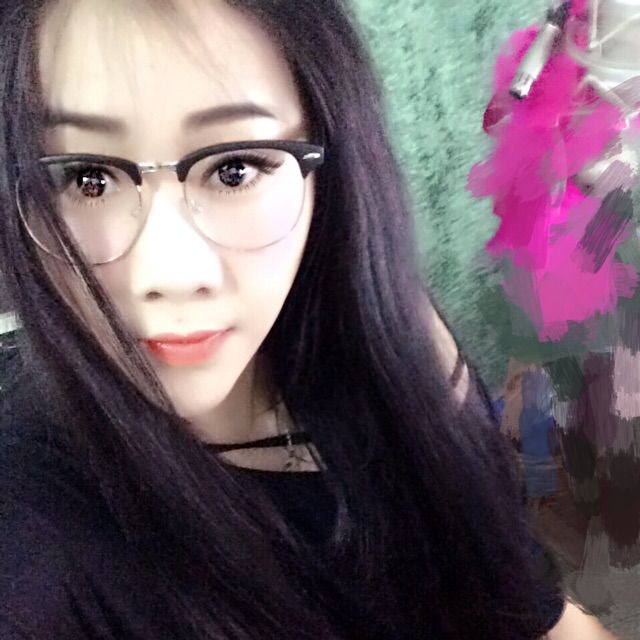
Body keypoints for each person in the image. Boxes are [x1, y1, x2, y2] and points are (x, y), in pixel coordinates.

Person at [0, 0, 612, 638]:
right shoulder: (35, 539)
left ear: (331, 171)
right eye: (88, 178)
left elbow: (530, 603)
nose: (170, 274)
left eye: (235, 169)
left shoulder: (400, 345)